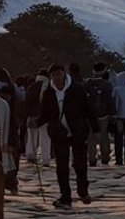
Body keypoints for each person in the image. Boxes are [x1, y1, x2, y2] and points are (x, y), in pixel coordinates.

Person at [38, 61, 92, 208]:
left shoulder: (76, 88)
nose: (57, 77)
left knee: (80, 164)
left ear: (64, 73)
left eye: (59, 74)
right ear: (50, 76)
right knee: (61, 166)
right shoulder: (48, 92)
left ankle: (83, 191)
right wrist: (36, 122)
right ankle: (65, 197)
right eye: (53, 75)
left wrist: (94, 128)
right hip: (59, 133)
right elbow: (45, 113)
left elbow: (87, 108)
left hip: (78, 131)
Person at [82, 65, 114, 173]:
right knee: (104, 136)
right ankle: (105, 158)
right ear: (103, 71)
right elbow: (110, 100)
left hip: (89, 116)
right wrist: (113, 114)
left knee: (91, 137)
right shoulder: (107, 84)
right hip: (103, 115)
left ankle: (92, 158)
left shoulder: (86, 83)